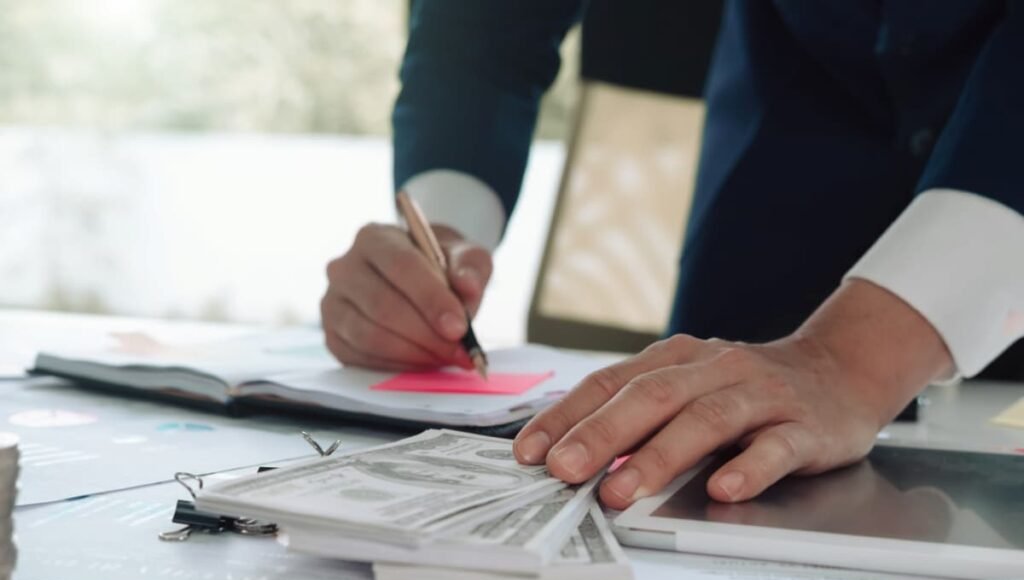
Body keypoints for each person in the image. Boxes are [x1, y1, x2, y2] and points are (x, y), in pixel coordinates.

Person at [321, 1, 1024, 509]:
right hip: (786, 162)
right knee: (690, 496)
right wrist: (440, 228)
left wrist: (853, 359)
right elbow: (485, 23)